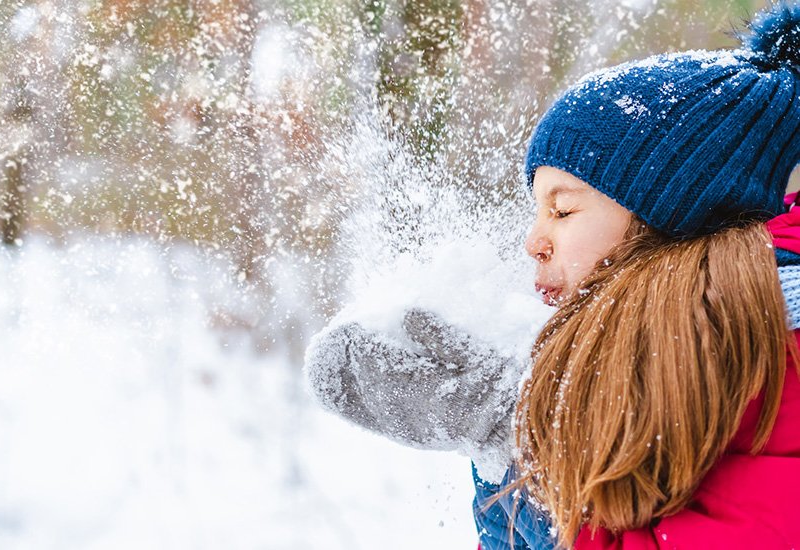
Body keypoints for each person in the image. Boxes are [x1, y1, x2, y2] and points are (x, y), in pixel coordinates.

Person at [304, 2, 800, 548]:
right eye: (537, 211)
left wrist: (525, 445)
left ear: (671, 210)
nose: (533, 242)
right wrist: (512, 446)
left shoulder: (772, 353)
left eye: (562, 211)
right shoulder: (647, 349)